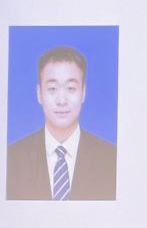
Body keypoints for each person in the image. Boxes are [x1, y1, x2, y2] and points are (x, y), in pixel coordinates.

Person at [6, 45, 117, 200]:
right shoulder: (11, 159)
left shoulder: (112, 159)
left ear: (83, 92)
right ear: (39, 94)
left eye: (71, 88)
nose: (62, 100)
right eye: (52, 89)